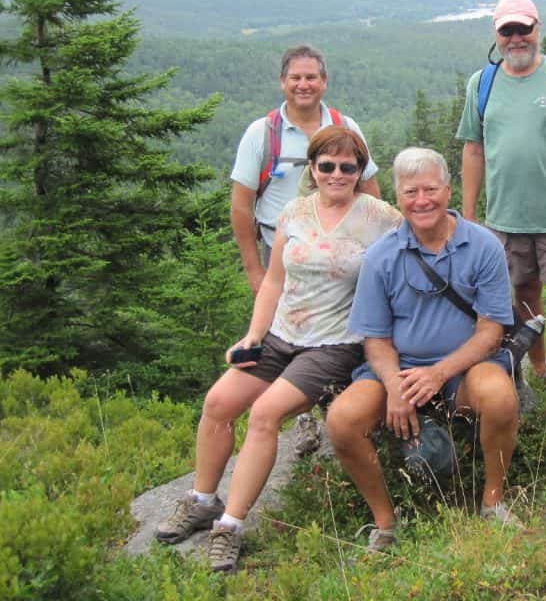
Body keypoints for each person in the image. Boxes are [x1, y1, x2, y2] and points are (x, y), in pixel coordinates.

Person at [155, 127, 401, 572]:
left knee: (266, 413)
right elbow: (273, 282)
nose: (338, 174)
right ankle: (202, 499)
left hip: (335, 344)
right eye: (327, 165)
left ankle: (229, 527)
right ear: (312, 167)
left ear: (361, 171)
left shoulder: (381, 217)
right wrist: (253, 335)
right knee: (218, 403)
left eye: (349, 167)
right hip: (281, 335)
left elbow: (414, 251)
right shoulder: (293, 212)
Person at [327, 147, 521, 552]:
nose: (422, 201)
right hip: (400, 369)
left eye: (430, 189)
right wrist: (396, 386)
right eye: (411, 192)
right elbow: (376, 339)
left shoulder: (483, 246)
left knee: (500, 396)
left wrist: (438, 374)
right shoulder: (381, 256)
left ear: (448, 191)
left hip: (467, 367)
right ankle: (385, 522)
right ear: (398, 198)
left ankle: (493, 501)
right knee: (343, 420)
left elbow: (490, 330)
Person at [230, 44, 381, 454]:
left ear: (324, 81)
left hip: (341, 255)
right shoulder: (263, 134)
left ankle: (341, 413)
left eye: (311, 76)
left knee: (336, 335)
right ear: (282, 82)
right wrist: (253, 271)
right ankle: (304, 420)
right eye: (295, 77)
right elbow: (241, 205)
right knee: (284, 335)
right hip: (282, 253)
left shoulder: (343, 125)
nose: (303, 84)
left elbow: (369, 189)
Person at [456, 0, 546, 395]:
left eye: (523, 29)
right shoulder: (482, 84)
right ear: (496, 35)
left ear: (538, 29)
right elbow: (473, 148)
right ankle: (540, 372)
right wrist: (468, 216)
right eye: (507, 31)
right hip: (504, 218)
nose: (516, 38)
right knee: (522, 298)